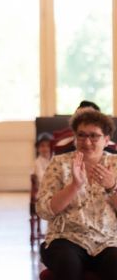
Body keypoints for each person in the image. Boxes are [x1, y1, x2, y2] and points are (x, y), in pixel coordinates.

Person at [36, 108, 117, 279]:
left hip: (109, 240)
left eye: (94, 136)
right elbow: (43, 210)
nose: (87, 142)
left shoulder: (115, 164)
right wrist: (74, 186)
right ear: (75, 138)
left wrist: (111, 187)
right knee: (68, 264)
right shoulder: (59, 164)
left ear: (107, 140)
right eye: (81, 135)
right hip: (66, 238)